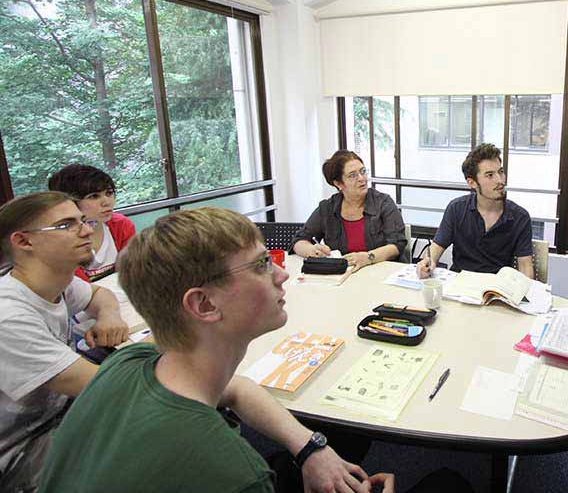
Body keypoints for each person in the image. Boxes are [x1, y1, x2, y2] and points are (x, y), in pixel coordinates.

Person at [38, 207, 394, 493]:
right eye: (260, 265)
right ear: (204, 305)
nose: (281, 275)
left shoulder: (130, 361)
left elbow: (236, 387)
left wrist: (311, 448)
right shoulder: (235, 473)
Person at [0, 191, 129, 493]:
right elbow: (103, 386)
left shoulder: (56, 280)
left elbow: (100, 295)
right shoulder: (8, 315)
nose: (86, 230)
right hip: (20, 451)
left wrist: (109, 316)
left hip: (59, 415)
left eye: (83, 221)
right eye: (66, 225)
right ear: (23, 241)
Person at [417, 143, 534, 278]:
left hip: (495, 289)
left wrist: (524, 292)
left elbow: (526, 267)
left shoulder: (520, 217)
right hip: (459, 285)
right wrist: (426, 263)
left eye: (500, 172)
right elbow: (434, 251)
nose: (500, 180)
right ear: (472, 183)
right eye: (490, 175)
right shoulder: (456, 209)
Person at [291, 150, 407, 272]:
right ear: (338, 184)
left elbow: (397, 244)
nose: (361, 178)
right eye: (352, 175)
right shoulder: (327, 208)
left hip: (381, 273)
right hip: (343, 275)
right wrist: (313, 250)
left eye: (363, 171)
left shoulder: (383, 203)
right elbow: (299, 241)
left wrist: (369, 257)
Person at [48, 164, 135, 281]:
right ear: (70, 201)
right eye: (94, 196)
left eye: (109, 193)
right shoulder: (59, 238)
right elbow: (77, 290)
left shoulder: (121, 225)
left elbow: (132, 272)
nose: (106, 202)